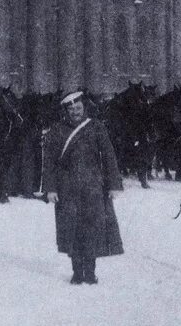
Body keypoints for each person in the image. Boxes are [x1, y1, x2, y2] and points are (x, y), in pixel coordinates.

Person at [41, 91, 123, 285]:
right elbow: (50, 162)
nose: (75, 111)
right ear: (66, 110)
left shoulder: (96, 127)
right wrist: (50, 188)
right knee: (72, 229)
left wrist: (113, 185)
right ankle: (77, 272)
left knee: (92, 229)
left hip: (93, 187)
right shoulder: (58, 130)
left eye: (78, 108)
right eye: (71, 108)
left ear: (84, 108)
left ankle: (91, 272)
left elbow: (109, 157)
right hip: (66, 188)